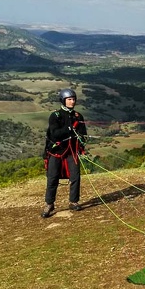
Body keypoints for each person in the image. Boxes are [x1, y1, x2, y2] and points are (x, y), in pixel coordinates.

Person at [42, 88, 87, 218]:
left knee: (75, 177)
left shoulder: (78, 116)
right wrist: (69, 129)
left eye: (73, 99)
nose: (72, 102)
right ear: (63, 100)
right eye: (69, 99)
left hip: (71, 151)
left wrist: (81, 141)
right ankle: (49, 204)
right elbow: (55, 134)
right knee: (52, 178)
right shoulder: (55, 116)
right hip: (56, 151)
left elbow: (83, 134)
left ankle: (73, 201)